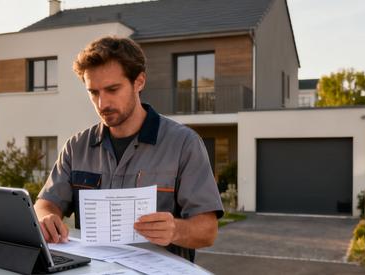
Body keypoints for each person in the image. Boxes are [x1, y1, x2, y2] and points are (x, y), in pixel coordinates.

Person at [34, 36, 224, 262]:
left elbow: (208, 230)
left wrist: (175, 230)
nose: (102, 104)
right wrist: (46, 217)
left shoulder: (184, 144)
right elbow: (46, 204)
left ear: (139, 81)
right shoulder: (76, 147)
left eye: (112, 89)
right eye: (93, 92)